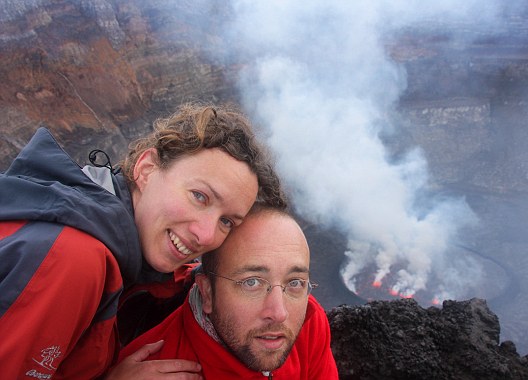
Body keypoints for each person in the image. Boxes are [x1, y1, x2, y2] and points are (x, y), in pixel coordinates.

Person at [0, 102, 286, 379]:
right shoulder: (73, 260)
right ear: (146, 169)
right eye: (199, 197)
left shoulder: (119, 244)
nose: (206, 235)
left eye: (226, 221)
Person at [115, 204, 339, 379]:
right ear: (207, 293)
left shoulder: (309, 321)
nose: (279, 313)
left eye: (295, 282)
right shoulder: (154, 367)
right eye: (252, 282)